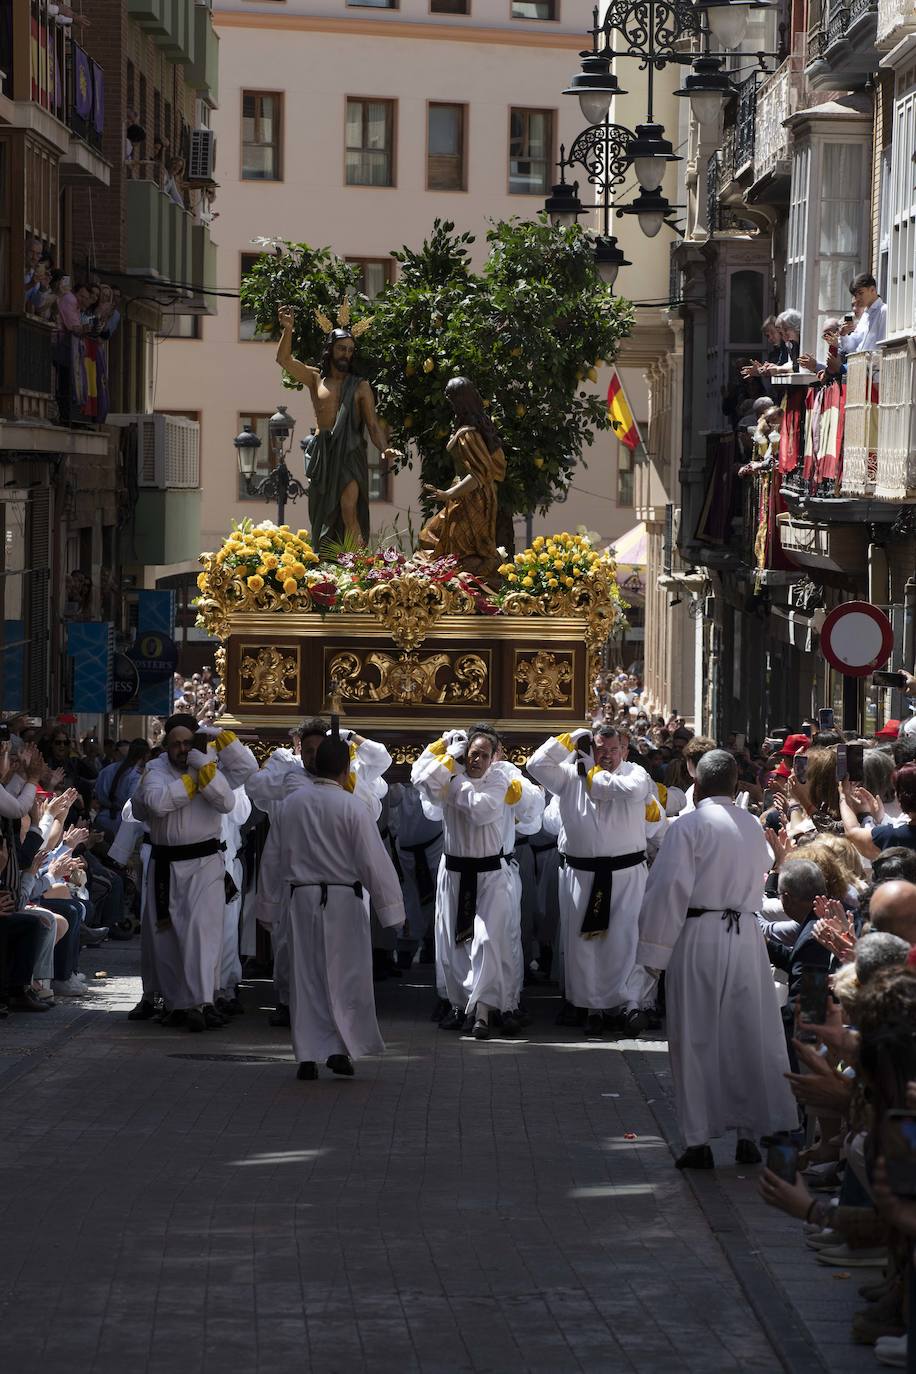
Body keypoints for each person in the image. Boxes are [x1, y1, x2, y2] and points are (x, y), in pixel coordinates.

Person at [637, 750, 797, 1168]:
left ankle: (697, 1140)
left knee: (696, 1034)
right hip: (746, 935)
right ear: (736, 783)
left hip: (700, 935)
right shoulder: (751, 825)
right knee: (745, 1033)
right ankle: (749, 1133)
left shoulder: (688, 826)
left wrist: (654, 953)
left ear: (700, 784)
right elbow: (762, 871)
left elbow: (668, 889)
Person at [247, 718, 391, 1025]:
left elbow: (371, 823)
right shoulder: (289, 780)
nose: (312, 756)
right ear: (298, 749)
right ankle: (290, 1003)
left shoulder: (347, 782)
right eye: (307, 750)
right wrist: (267, 904)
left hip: (343, 887)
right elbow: (272, 851)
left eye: (318, 750)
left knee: (344, 954)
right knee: (291, 949)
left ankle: (341, 1012)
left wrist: (389, 906)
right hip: (299, 883)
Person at [278, 737, 405, 1080]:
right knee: (345, 975)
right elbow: (373, 862)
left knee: (306, 976)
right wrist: (392, 910)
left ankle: (308, 1054)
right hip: (343, 901)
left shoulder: (292, 804)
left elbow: (276, 856)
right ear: (346, 769)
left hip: (302, 898)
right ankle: (338, 1048)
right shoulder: (353, 807)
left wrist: (268, 905)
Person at [527, 722, 655, 1035]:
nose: (607, 755)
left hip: (625, 877)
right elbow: (535, 765)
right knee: (584, 946)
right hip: (582, 875)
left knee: (623, 941)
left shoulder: (636, 775)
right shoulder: (569, 778)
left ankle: (626, 1004)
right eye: (600, 748)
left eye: (614, 749)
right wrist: (568, 741)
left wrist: (592, 774)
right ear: (590, 748)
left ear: (625, 750)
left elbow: (629, 791)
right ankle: (590, 1007)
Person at [132, 717, 257, 1030]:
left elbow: (238, 784)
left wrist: (225, 742)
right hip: (166, 865)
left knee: (202, 933)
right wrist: (193, 778)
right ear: (166, 746)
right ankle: (177, 1004)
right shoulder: (156, 770)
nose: (182, 749)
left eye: (187, 743)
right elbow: (158, 804)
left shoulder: (209, 766)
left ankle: (202, 1001)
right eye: (175, 743)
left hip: (204, 864)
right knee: (169, 936)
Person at [411, 727, 525, 1039]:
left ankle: (486, 1010)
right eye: (472, 753)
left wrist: (453, 781)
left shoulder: (499, 779)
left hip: (489, 875)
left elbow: (481, 811)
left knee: (487, 940)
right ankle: (463, 1007)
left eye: (484, 755)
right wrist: (446, 754)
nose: (477, 759)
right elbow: (420, 779)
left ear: (493, 759)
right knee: (456, 945)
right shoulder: (451, 773)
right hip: (457, 873)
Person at [275, 305, 401, 545]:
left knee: (348, 508)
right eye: (342, 348)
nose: (346, 354)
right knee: (322, 514)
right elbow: (284, 359)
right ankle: (329, 561)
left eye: (351, 350)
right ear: (331, 349)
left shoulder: (361, 386)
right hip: (323, 453)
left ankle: (357, 565)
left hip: (350, 452)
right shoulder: (315, 379)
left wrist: (384, 448)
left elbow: (373, 425)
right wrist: (288, 330)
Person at [418, 377, 507, 585]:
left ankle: (469, 586)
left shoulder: (468, 435)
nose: (448, 402)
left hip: (470, 500)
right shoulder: (465, 430)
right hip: (462, 496)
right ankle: (456, 582)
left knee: (457, 550)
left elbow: (479, 473)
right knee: (437, 539)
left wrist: (448, 494)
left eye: (451, 397)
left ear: (460, 401)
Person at [94, 738, 150, 840]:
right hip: (123, 824)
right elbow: (133, 803)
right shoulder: (136, 775)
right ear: (146, 755)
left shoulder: (107, 770)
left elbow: (97, 793)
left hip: (103, 819)